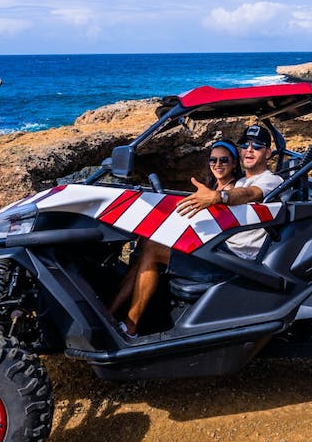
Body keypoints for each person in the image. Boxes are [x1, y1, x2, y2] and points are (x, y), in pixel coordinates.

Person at [110, 140, 240, 336]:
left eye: (224, 160)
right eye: (213, 160)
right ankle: (110, 312)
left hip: (216, 256)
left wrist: (218, 197)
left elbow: (237, 200)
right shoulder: (209, 189)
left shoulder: (233, 191)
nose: (218, 164)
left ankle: (131, 326)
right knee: (147, 242)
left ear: (234, 164)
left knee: (153, 249)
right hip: (202, 246)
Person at [176, 123, 283, 260]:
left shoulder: (271, 180)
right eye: (245, 145)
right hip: (222, 243)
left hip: (238, 255)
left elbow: (249, 194)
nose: (249, 150)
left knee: (154, 247)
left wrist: (218, 196)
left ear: (268, 153)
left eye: (256, 146)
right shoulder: (240, 181)